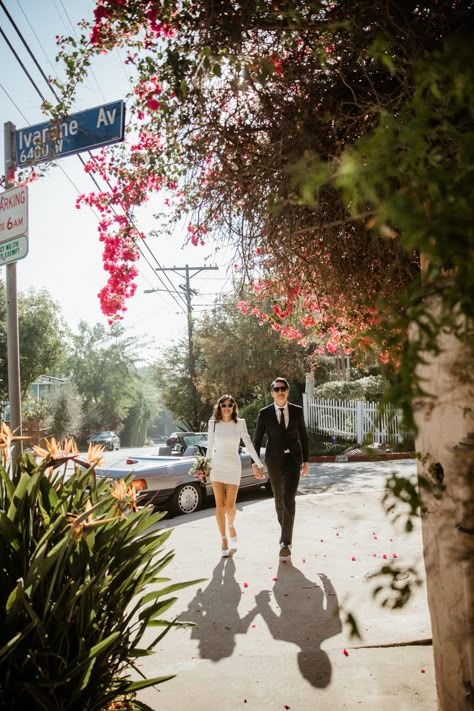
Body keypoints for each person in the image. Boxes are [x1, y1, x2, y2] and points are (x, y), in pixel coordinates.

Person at [253, 377, 309, 559]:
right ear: (272, 393)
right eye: (276, 389)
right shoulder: (264, 413)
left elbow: (303, 436)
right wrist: (255, 463)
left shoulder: (297, 411)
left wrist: (306, 460)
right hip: (274, 460)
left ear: (288, 391)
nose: (280, 391)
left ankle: (285, 541)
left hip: (293, 460)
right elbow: (257, 439)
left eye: (283, 388)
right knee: (278, 499)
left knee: (288, 498)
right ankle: (286, 528)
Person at [207, 394, 265, 557]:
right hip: (217, 465)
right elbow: (210, 447)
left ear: (234, 407)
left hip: (233, 465)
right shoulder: (213, 424)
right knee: (220, 505)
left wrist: (258, 463)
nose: (227, 408)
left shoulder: (240, 423)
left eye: (230, 405)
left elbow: (249, 444)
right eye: (223, 405)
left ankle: (231, 524)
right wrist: (205, 466)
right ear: (219, 407)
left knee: (230, 506)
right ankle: (223, 539)